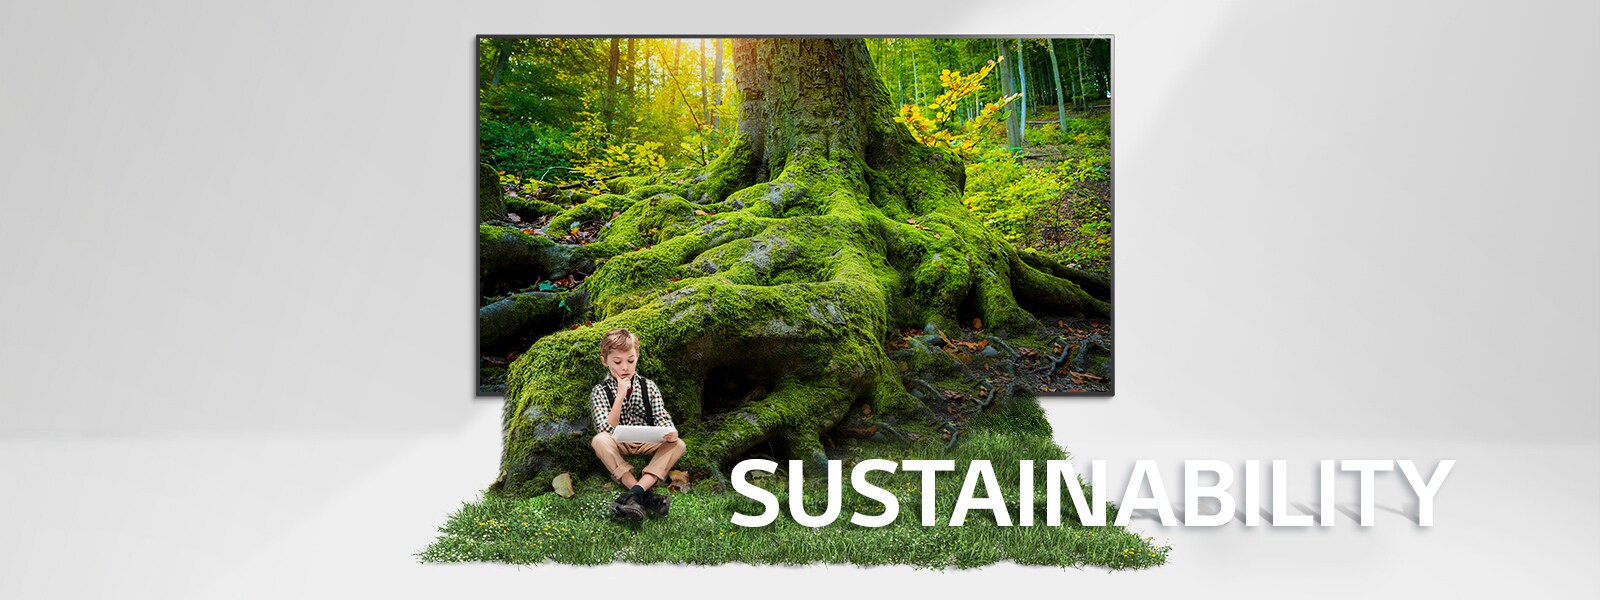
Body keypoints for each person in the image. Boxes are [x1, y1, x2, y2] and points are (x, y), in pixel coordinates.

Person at [588, 327, 685, 521]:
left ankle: (634, 494)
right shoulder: (600, 391)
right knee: (599, 440)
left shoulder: (648, 386)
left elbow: (661, 416)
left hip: (647, 440)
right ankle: (644, 495)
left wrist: (670, 431)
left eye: (630, 361)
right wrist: (620, 396)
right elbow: (605, 428)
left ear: (637, 358)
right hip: (618, 442)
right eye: (618, 362)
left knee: (679, 444)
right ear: (605, 361)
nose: (625, 367)